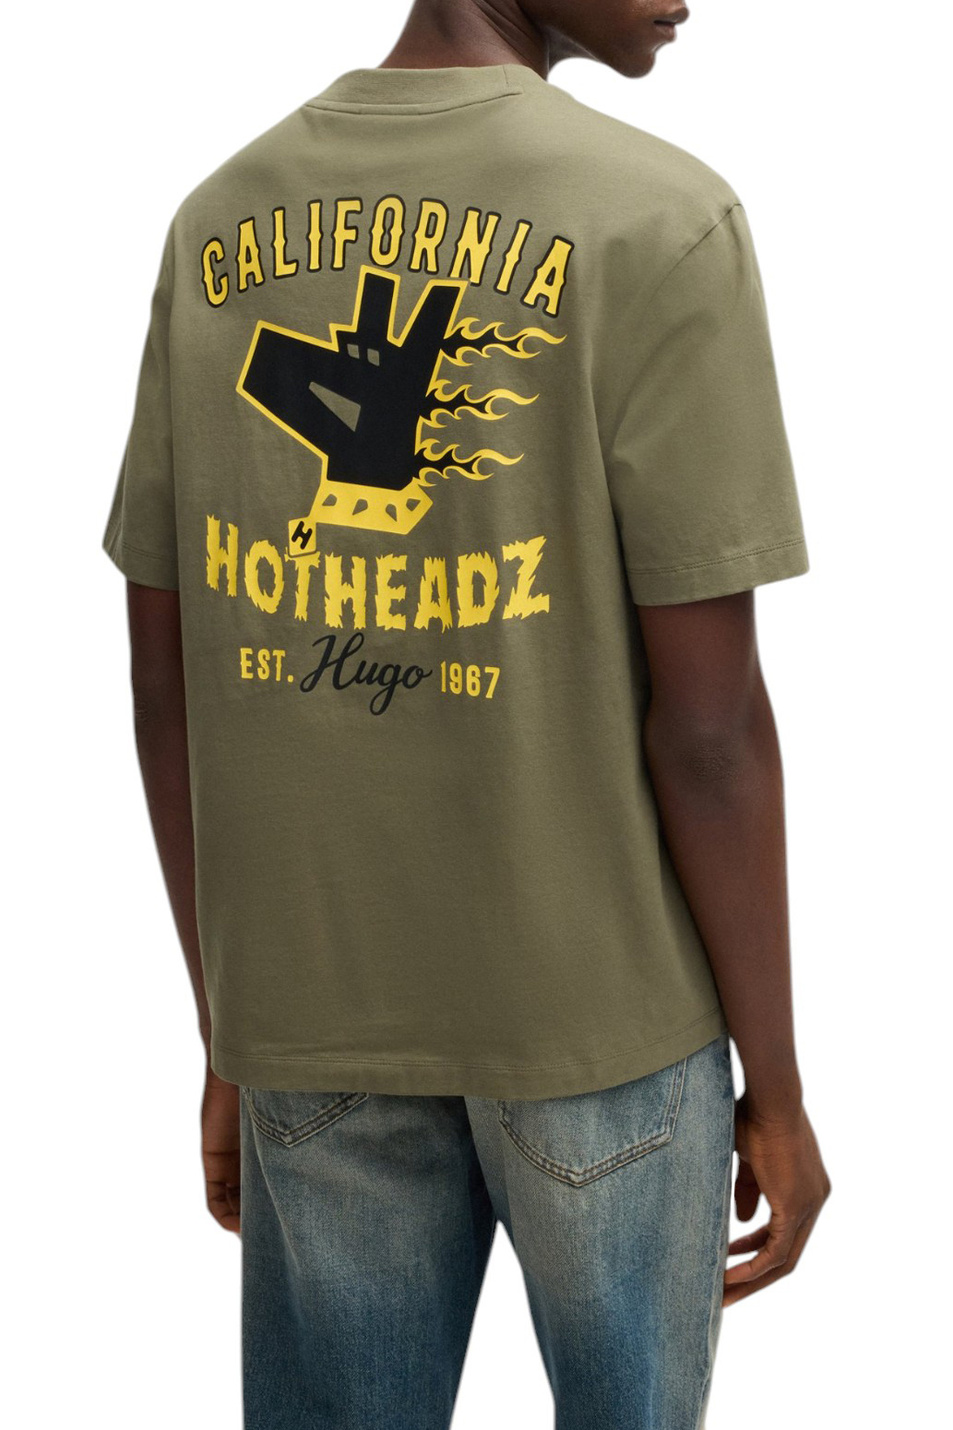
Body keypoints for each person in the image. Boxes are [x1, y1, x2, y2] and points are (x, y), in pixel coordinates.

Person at [101, 1, 831, 1424]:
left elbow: (162, 681)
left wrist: (236, 1030)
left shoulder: (217, 222)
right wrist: (782, 1088)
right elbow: (710, 734)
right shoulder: (659, 222)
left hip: (314, 1016)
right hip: (603, 1032)